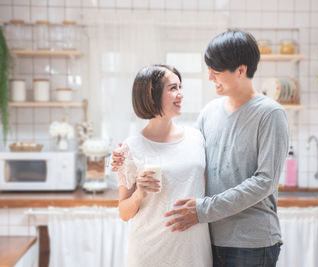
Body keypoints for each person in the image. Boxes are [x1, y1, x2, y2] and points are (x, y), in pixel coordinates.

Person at [112, 30, 289, 267]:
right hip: (209, 237)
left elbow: (265, 181)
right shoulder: (209, 113)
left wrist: (202, 209)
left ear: (240, 70)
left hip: (250, 241)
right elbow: (182, 155)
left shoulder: (270, 114)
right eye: (208, 71)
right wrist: (125, 159)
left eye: (216, 72)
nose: (210, 78)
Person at [115, 64, 212, 267]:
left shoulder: (196, 138)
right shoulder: (130, 147)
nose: (180, 94)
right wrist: (140, 193)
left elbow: (206, 189)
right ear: (151, 95)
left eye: (180, 87)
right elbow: (124, 213)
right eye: (172, 88)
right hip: (149, 252)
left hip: (193, 250)